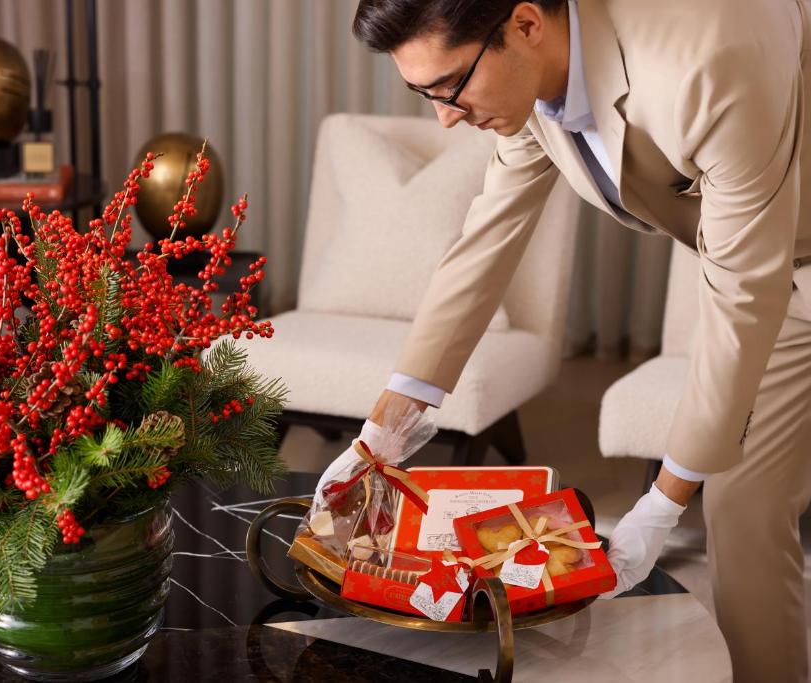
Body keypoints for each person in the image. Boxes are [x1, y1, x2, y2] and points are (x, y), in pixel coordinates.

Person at [335, 0, 811, 680]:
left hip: (768, 268)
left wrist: (663, 501)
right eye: (425, 94)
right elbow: (486, 241)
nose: (445, 117)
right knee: (742, 509)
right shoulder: (531, 81)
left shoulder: (709, 57)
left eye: (450, 87)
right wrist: (379, 434)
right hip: (782, 273)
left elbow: (741, 289)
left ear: (526, 24)